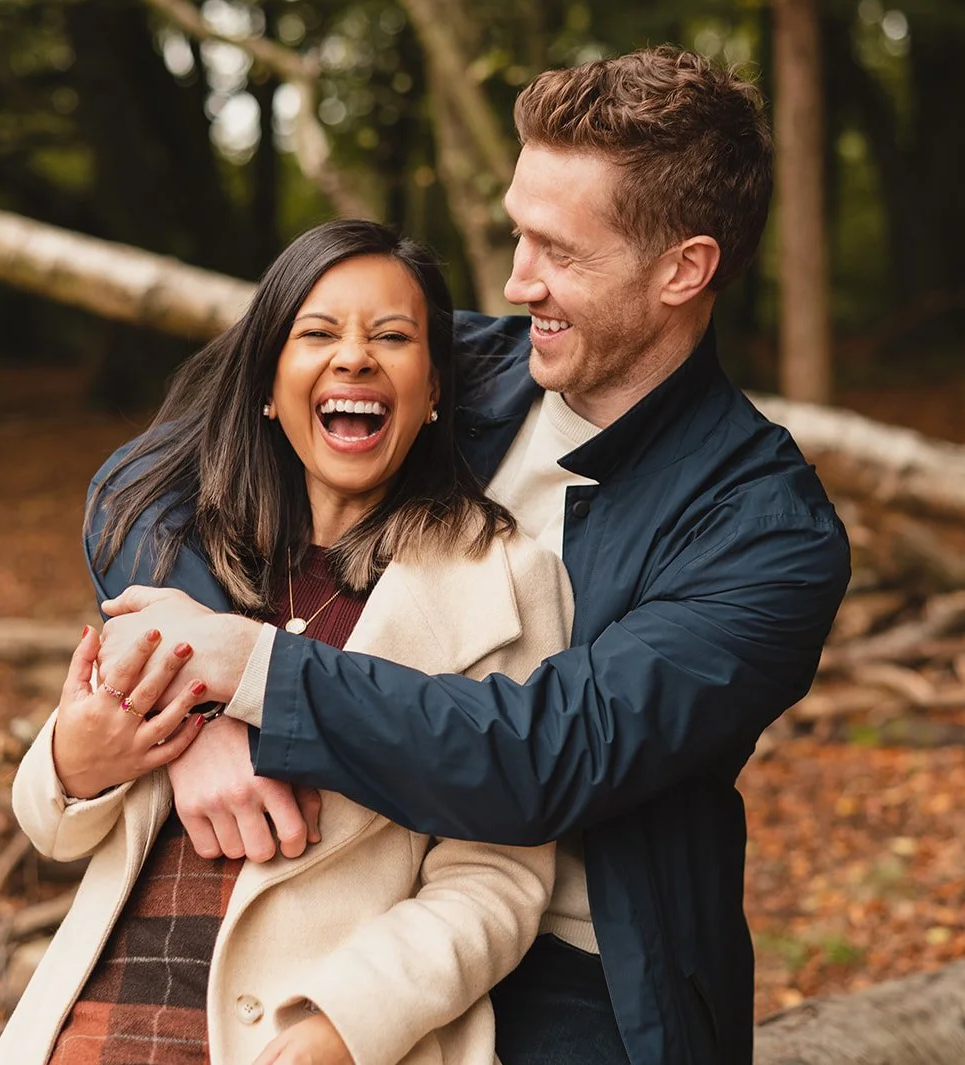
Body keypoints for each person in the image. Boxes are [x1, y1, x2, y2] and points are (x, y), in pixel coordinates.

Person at [94, 47, 851, 1065]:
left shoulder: (764, 533)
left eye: (558, 251)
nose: (515, 278)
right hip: (347, 890)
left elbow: (544, 756)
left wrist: (253, 672)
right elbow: (144, 479)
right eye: (515, 234)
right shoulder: (447, 366)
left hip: (582, 968)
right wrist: (194, 711)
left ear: (685, 269)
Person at [0, 220, 575, 1065]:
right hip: (98, 1024)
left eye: (393, 337)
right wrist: (77, 761)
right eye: (319, 333)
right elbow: (53, 825)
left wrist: (340, 1027)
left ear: (437, 388)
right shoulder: (192, 562)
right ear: (268, 385)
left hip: (311, 1036)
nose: (355, 358)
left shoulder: (504, 582)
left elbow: (500, 878)